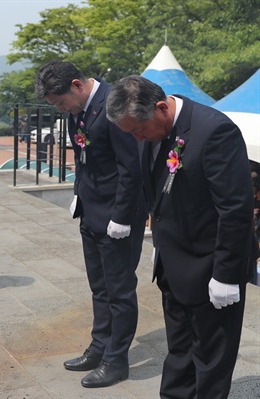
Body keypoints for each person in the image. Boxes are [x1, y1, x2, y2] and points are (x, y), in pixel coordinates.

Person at [106, 75, 258, 399]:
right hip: (172, 265)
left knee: (211, 362)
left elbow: (235, 208)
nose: (137, 137)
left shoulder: (214, 131)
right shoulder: (151, 129)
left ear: (161, 107)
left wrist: (226, 275)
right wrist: (159, 242)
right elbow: (158, 193)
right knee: (179, 352)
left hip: (211, 268)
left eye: (137, 129)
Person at [35, 61, 146, 388]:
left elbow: (132, 167)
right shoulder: (77, 111)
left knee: (120, 290)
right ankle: (99, 346)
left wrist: (122, 217)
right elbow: (84, 157)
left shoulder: (115, 105)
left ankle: (117, 360)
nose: (61, 109)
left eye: (60, 102)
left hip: (117, 214)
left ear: (77, 85)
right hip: (91, 209)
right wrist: (77, 194)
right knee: (99, 286)